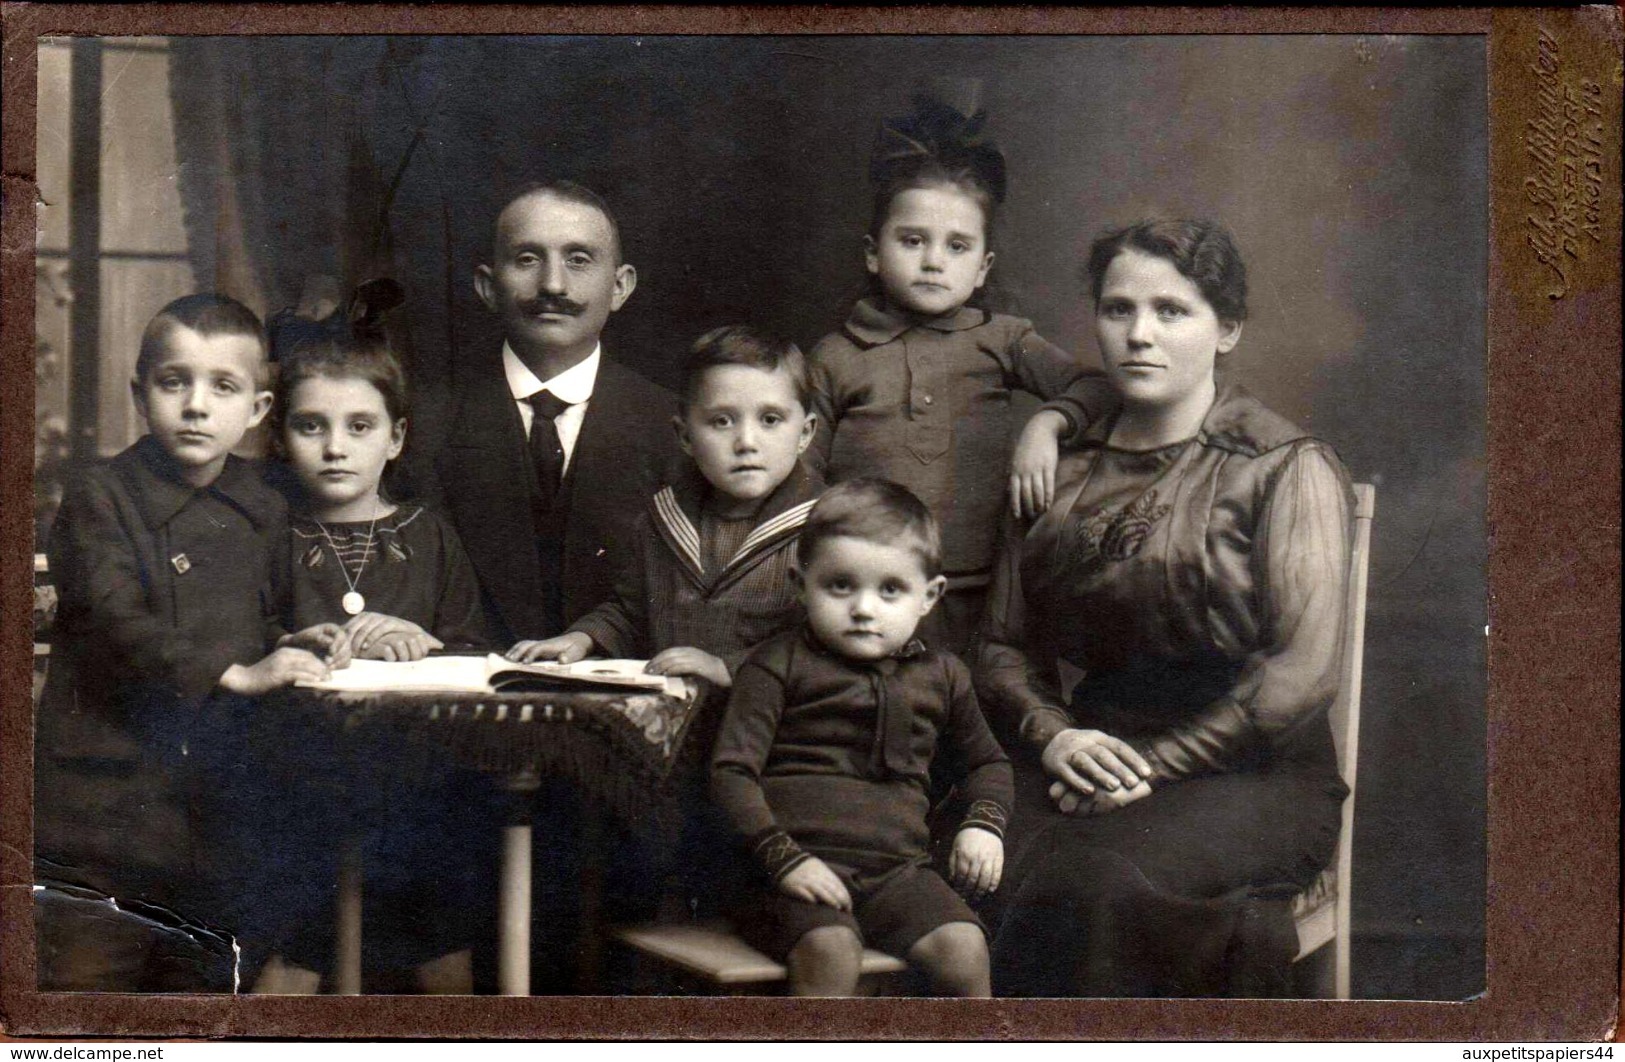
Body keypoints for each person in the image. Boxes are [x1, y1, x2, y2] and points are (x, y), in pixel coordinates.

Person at [974, 219, 1353, 998]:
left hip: (1254, 772)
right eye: (1118, 310)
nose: (1138, 335)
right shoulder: (1054, 465)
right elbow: (1001, 647)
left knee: (1097, 884)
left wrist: (1152, 764)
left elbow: (1301, 676)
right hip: (1092, 747)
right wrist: (1054, 737)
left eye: (1171, 311)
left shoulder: (1285, 465)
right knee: (961, 851)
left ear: (1228, 329)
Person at [34, 294, 337, 991]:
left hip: (218, 820)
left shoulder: (265, 504)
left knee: (203, 998)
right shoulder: (97, 496)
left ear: (258, 410)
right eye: (175, 383)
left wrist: (292, 638)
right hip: (103, 821)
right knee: (89, 999)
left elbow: (255, 618)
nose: (197, 406)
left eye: (222, 386)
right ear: (140, 395)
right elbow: (116, 620)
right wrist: (234, 673)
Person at [507, 323, 822, 950]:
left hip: (775, 753)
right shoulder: (662, 514)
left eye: (770, 419)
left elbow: (823, 643)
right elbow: (632, 607)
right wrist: (582, 640)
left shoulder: (827, 527)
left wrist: (728, 666)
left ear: (806, 431)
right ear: (683, 432)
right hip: (672, 753)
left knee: (737, 887)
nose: (747, 442)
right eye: (722, 422)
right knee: (630, 872)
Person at [807, 83, 1113, 653]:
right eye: (913, 240)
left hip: (978, 598)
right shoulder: (836, 356)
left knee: (967, 725)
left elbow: (1094, 388)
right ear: (873, 252)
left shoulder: (1003, 339)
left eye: (956, 246)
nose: (932, 260)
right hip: (862, 603)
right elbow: (802, 482)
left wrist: (1047, 425)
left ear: (981, 267)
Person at [251, 314, 494, 995]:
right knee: (294, 951)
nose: (335, 448)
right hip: (302, 788)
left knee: (441, 949)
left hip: (419, 787)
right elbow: (242, 638)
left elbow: (472, 652)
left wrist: (421, 648)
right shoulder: (269, 533)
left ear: (396, 437)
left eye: (359, 427)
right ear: (279, 436)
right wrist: (289, 642)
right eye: (311, 426)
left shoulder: (431, 536)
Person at [712, 479, 1013, 997]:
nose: (864, 609)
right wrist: (785, 860)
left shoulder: (943, 674)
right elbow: (730, 774)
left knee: (963, 947)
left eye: (890, 589)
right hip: (786, 871)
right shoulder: (776, 665)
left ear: (930, 595)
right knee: (831, 951)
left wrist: (984, 825)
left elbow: (989, 764)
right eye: (841, 586)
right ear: (800, 583)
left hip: (898, 873)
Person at [424, 180, 681, 645]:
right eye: (527, 258)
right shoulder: (425, 426)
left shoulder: (675, 429)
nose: (553, 285)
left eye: (579, 260)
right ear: (487, 286)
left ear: (620, 286)